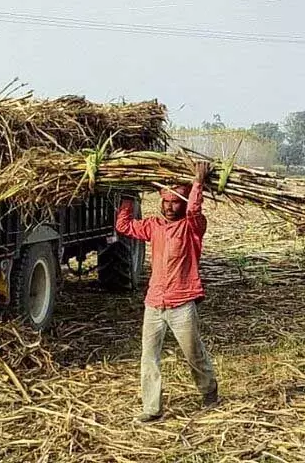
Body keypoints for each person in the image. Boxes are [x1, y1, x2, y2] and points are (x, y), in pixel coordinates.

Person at [115, 161, 219, 423]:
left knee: (192, 352)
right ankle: (152, 408)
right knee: (148, 357)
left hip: (182, 303)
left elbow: (195, 209)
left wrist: (198, 182)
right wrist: (129, 194)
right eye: (165, 202)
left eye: (175, 202)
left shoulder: (192, 227)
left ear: (183, 203)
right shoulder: (154, 226)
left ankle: (209, 391)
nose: (169, 207)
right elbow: (124, 226)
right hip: (154, 304)